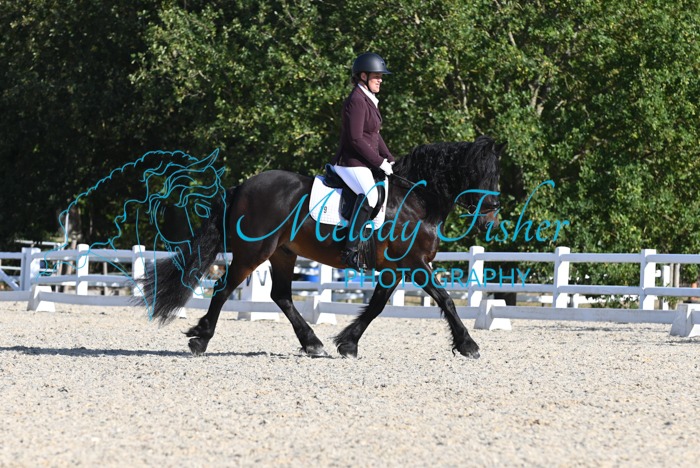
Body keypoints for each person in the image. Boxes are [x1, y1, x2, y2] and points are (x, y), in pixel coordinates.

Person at [331, 52, 395, 270]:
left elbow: (375, 135)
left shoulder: (368, 99)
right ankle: (350, 251)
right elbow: (356, 138)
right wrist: (379, 162)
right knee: (370, 195)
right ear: (363, 76)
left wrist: (390, 159)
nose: (380, 80)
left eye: (381, 76)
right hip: (350, 162)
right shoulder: (357, 101)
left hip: (363, 162)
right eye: (377, 76)